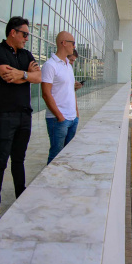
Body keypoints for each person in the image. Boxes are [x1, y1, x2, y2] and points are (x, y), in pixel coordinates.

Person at [0, 17, 40, 225]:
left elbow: (40, 77)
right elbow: (6, 76)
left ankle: (21, 196)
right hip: (5, 115)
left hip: (24, 115)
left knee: (19, 160)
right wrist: (27, 75)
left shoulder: (26, 54)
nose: (27, 39)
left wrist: (22, 74)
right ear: (13, 33)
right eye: (25, 34)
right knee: (0, 161)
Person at [41, 31, 80, 164]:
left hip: (72, 118)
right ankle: (50, 184)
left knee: (67, 155)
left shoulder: (68, 66)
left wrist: (76, 114)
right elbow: (46, 94)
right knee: (55, 156)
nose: (74, 46)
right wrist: (60, 117)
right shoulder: (50, 65)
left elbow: (71, 90)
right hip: (58, 120)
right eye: (72, 43)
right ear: (63, 43)